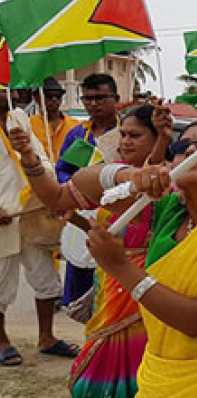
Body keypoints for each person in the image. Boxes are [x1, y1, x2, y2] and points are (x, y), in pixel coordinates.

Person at [42, 120, 197, 396]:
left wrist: (120, 267)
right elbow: (84, 184)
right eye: (183, 146)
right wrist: (128, 176)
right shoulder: (168, 211)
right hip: (159, 377)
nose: (191, 150)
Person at [12, 105, 171, 395]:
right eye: (123, 134)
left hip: (153, 284)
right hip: (111, 286)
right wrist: (29, 157)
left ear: (157, 138)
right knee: (101, 365)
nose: (125, 141)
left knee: (144, 365)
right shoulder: (105, 178)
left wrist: (160, 146)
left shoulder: (171, 185)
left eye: (135, 135)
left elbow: (151, 180)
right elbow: (55, 197)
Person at [0, 94, 75, 367]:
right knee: (0, 282)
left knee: (45, 278)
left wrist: (30, 157)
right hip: (3, 216)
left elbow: (43, 160)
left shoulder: (18, 119)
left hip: (32, 211)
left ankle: (47, 337)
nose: (8, 93)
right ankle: (2, 342)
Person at [57, 73, 121, 306]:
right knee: (82, 281)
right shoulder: (77, 134)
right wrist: (73, 187)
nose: (93, 104)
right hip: (82, 215)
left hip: (119, 216)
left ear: (116, 98)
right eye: (88, 99)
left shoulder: (127, 131)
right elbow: (62, 170)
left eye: (101, 98)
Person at [29, 77, 81, 161]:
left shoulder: (76, 125)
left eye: (58, 96)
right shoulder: (29, 124)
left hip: (67, 172)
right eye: (49, 96)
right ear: (37, 98)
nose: (54, 99)